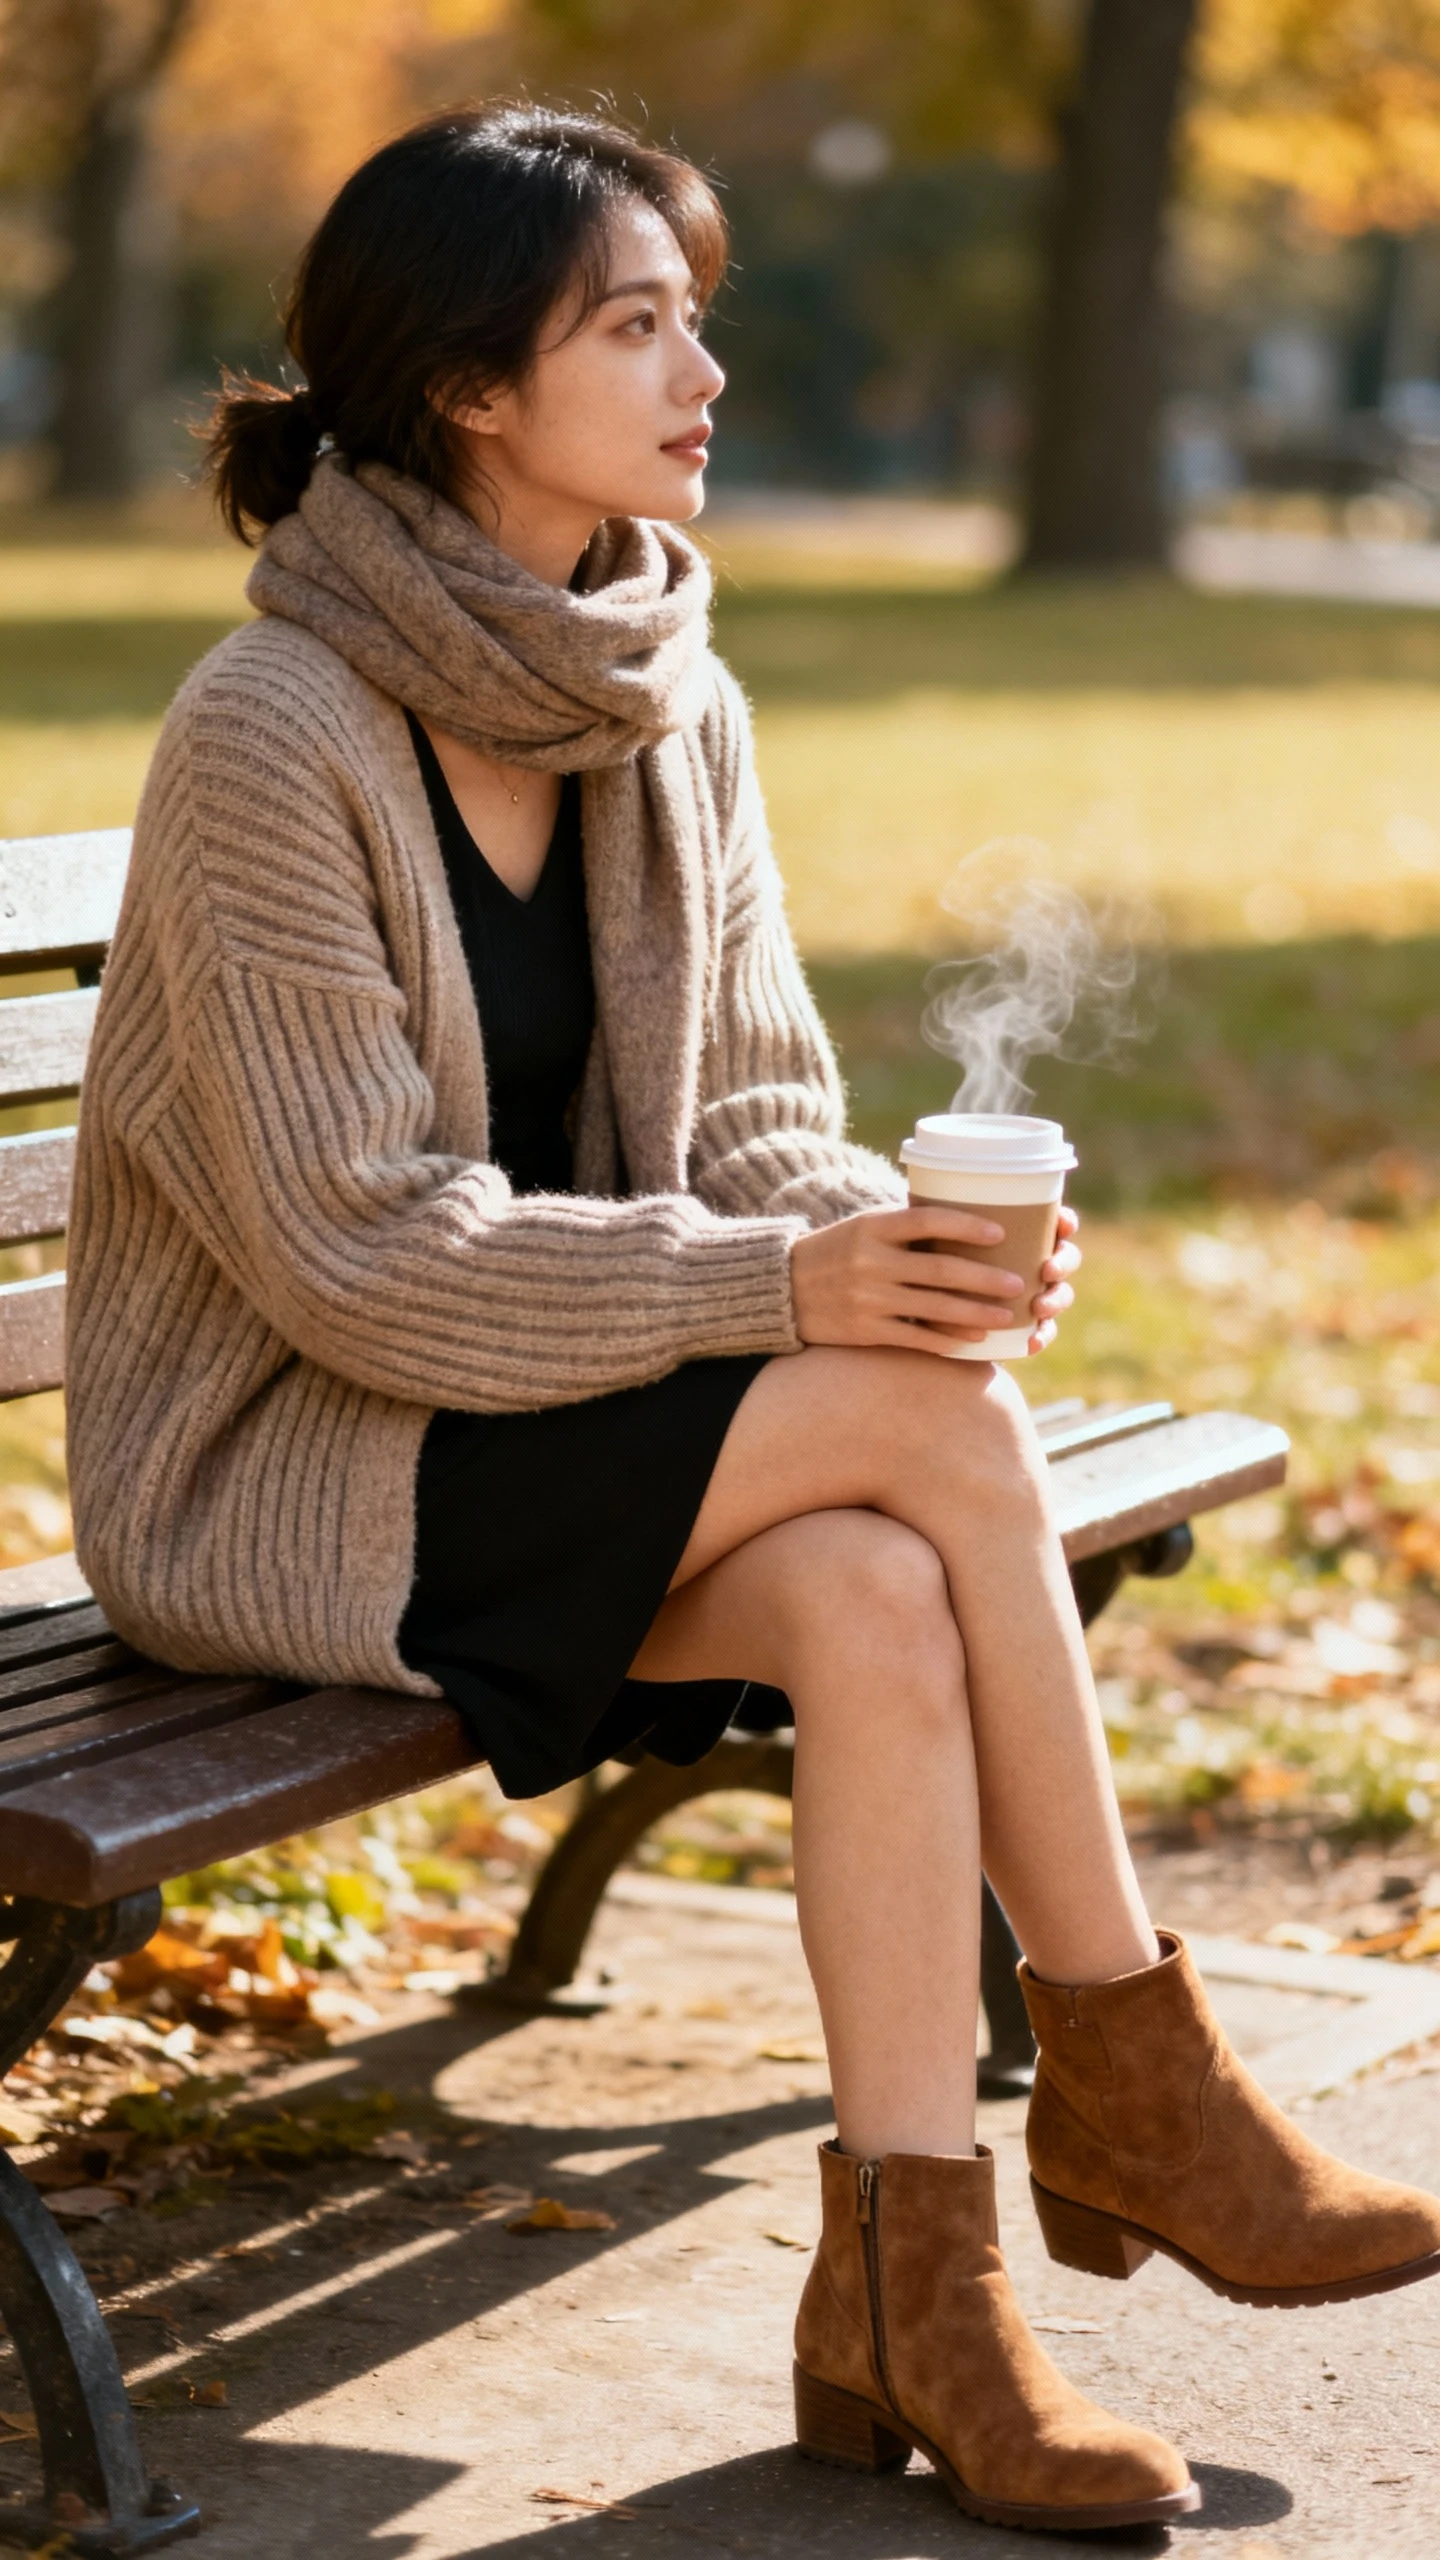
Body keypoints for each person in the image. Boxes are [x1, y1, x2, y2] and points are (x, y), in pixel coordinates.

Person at [66, 100, 1440, 2537]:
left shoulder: (660, 686)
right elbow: (354, 1251)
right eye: (639, 319)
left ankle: (918, 2286)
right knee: (926, 1447)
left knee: (881, 1572)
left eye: (689, 310)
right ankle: (1133, 2072)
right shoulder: (272, 734)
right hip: (294, 1461)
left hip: (584, 1412)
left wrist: (899, 1248)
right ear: (470, 385)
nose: (707, 364)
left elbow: (771, 1123)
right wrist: (794, 1288)